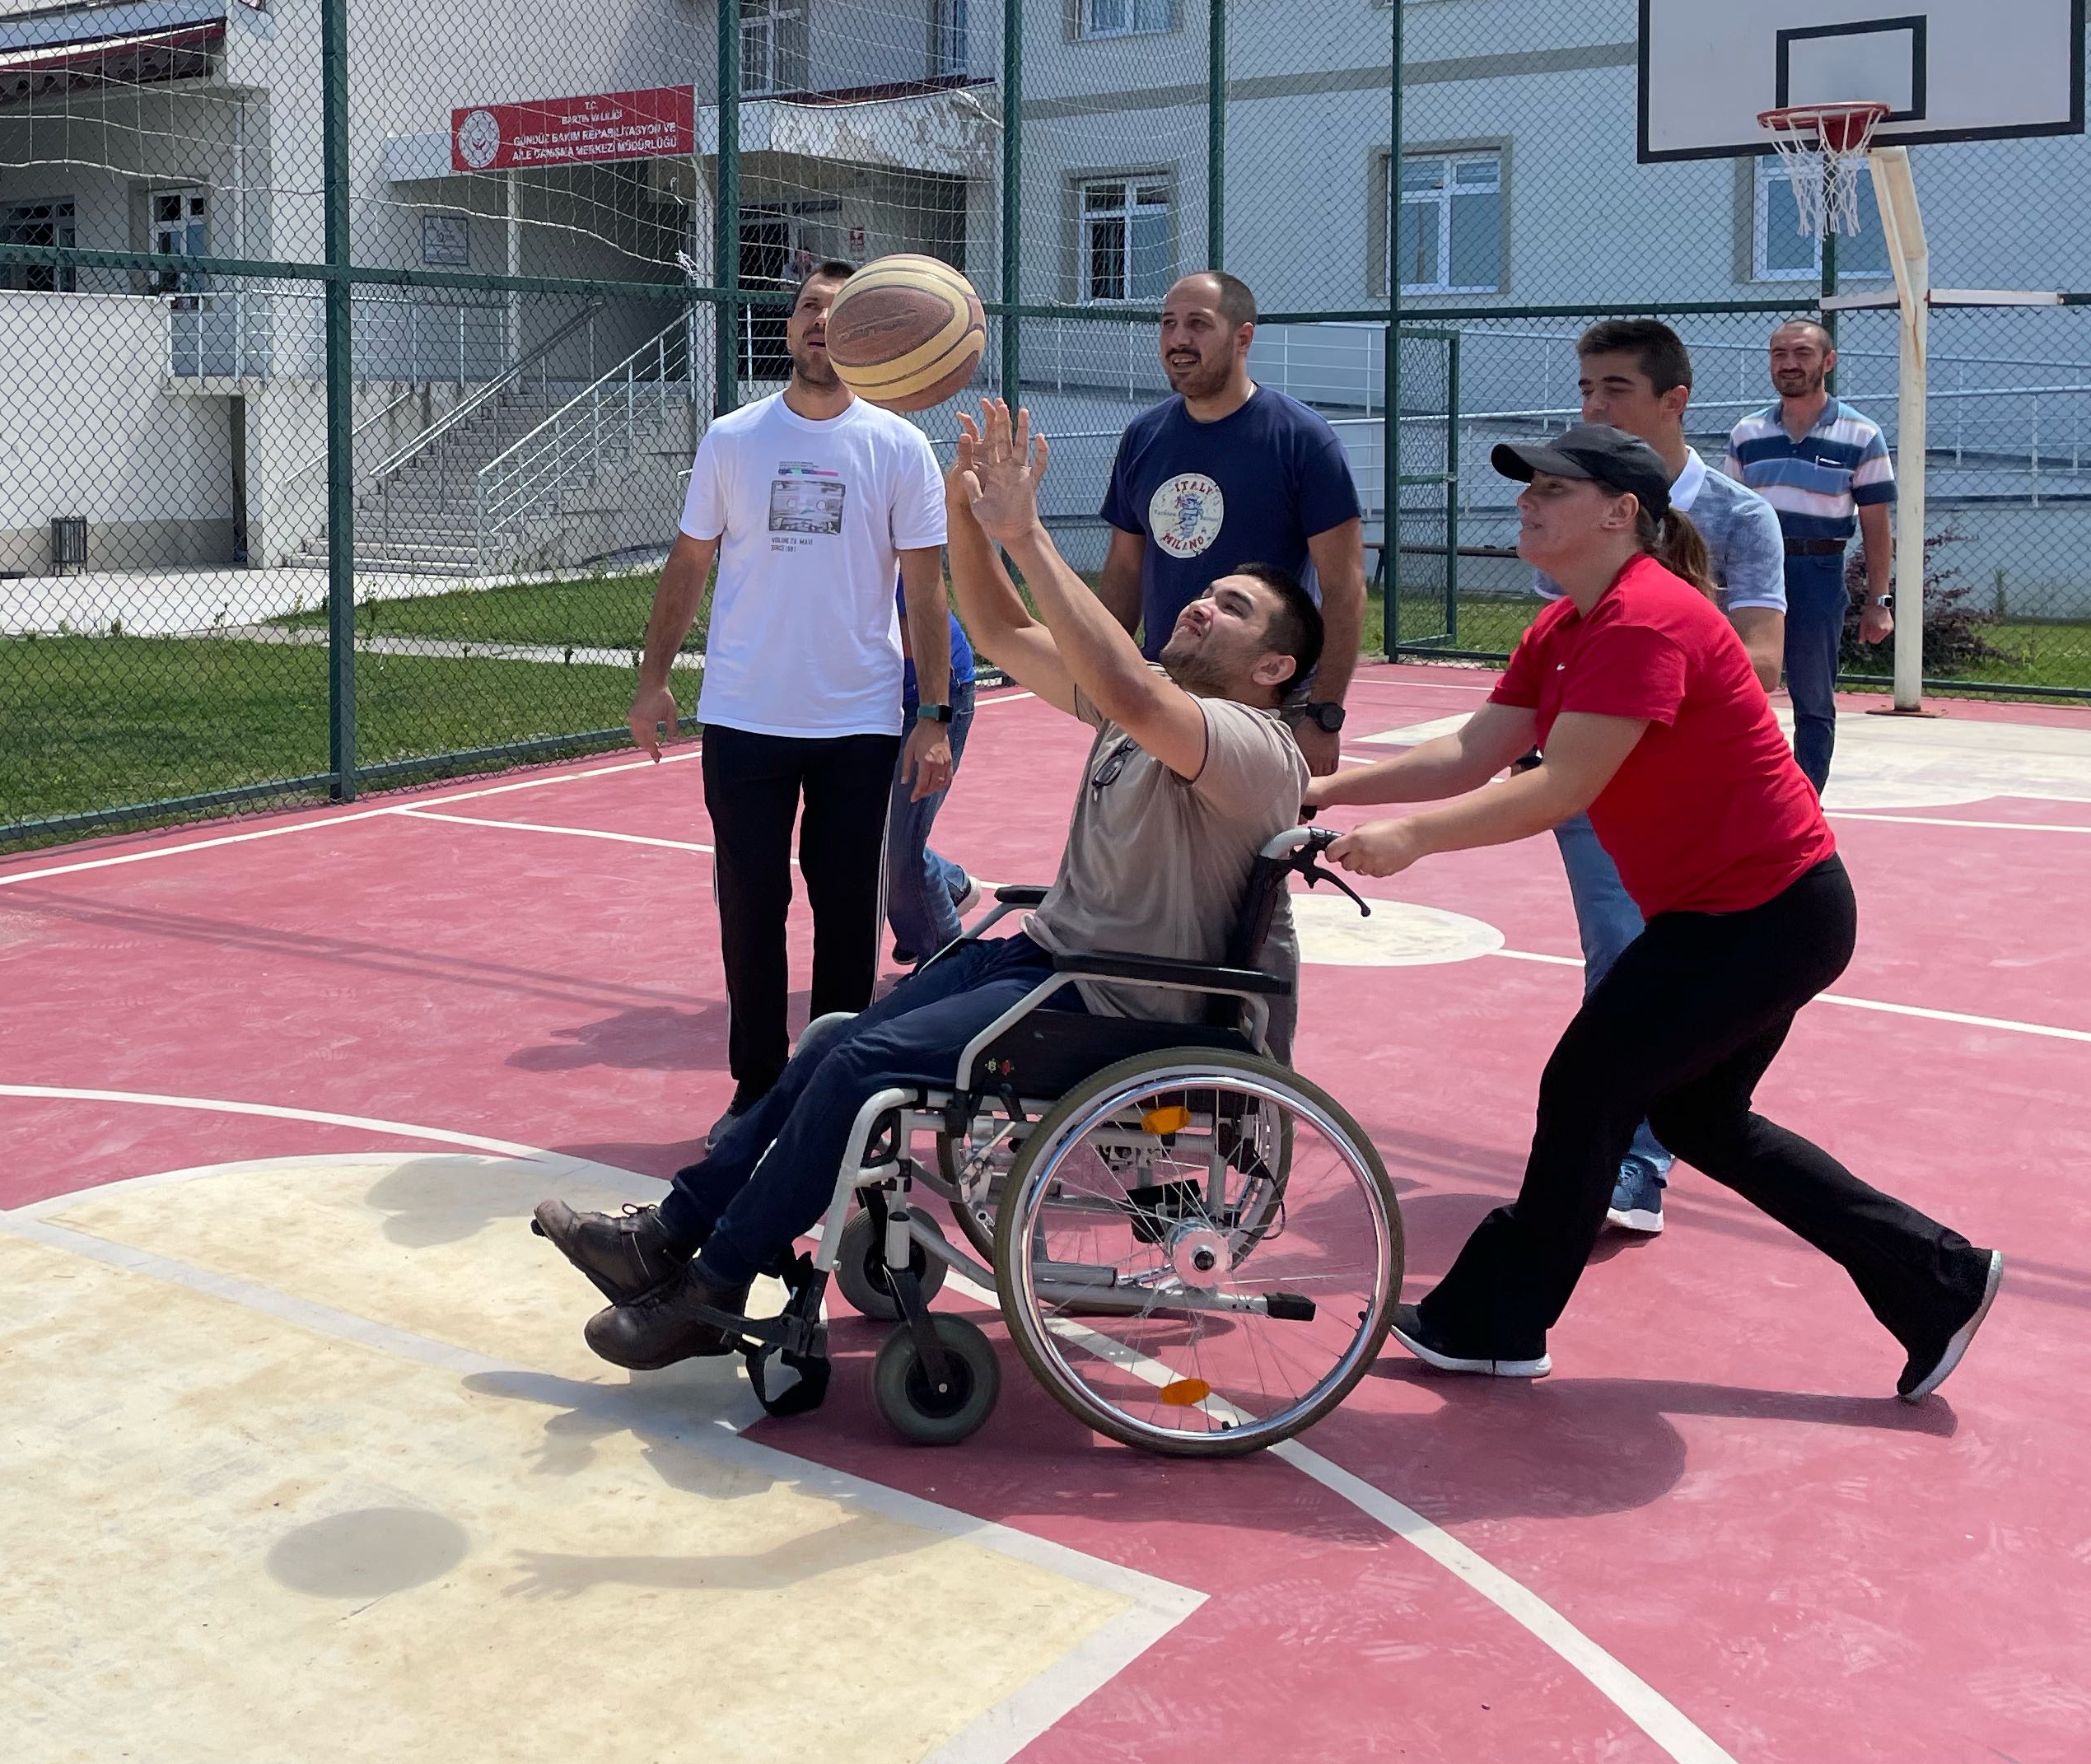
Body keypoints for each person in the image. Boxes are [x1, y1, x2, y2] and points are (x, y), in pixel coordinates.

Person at [544, 398, 1317, 1370]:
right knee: (835, 1037)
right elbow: (995, 630)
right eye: (1208, 592)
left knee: (865, 1069)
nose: (1203, 602)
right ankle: (669, 1232)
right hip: (1053, 965)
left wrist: (1026, 532)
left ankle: (715, 1285)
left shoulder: (1250, 744)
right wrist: (958, 505)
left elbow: (1128, 687)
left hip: (1113, 999)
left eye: (1235, 609)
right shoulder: (1155, 712)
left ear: (1276, 667)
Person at [1307, 422, 2000, 1401]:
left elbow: (1561, 787)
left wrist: (1414, 839)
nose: (1528, 502)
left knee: (1590, 1084)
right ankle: (1938, 1279)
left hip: (1767, 915)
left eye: (1552, 489)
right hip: (1736, 913)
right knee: (1695, 1117)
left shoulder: (1644, 619)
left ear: (1618, 513)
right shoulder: (1568, 624)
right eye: (1527, 488)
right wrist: (1322, 789)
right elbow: (1471, 751)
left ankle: (1498, 1323)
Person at [628, 264, 954, 1136]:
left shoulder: (898, 447)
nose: (824, 321)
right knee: (749, 904)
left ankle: (834, 1093)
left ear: (870, 335)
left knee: (846, 911)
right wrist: (655, 679)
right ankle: (756, 1085)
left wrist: (933, 714)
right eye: (811, 307)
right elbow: (689, 562)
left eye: (843, 311)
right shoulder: (734, 439)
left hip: (856, 718)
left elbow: (926, 590)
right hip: (744, 715)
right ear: (789, 329)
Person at [1557, 317, 1786, 1242]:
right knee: (1617, 966)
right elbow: (1565, 653)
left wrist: (1657, 659)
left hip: (1702, 799)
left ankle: (1636, 1154)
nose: (1593, 407)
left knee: (1663, 983)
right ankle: (1628, 1163)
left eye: (1613, 389)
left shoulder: (1738, 516)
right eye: (1585, 390)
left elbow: (1766, 655)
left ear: (1672, 401)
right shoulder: (1573, 503)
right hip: (1597, 787)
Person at [1098, 270, 1365, 773]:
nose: (1178, 339)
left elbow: (1345, 588)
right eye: (1168, 324)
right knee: (1147, 843)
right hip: (1163, 689)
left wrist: (1323, 714)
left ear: (1243, 337)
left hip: (1263, 699)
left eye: (1198, 324)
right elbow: (1124, 574)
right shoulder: (1143, 437)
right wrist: (1106, 680)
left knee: (1252, 852)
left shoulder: (1303, 440)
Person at [1728, 319, 1898, 791]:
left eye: (1801, 353)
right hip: (1754, 575)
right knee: (1736, 687)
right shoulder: (1747, 433)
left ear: (1828, 361)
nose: (1788, 364)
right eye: (1778, 354)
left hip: (1818, 572)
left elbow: (1877, 525)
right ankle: (1742, 790)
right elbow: (1730, 516)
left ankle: (1805, 799)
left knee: (1813, 697)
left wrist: (1879, 602)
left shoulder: (1861, 435)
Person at [883, 586, 978, 968]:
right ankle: (947, 884)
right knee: (860, 841)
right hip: (868, 701)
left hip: (927, 697)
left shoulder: (880, 531)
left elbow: (913, 633)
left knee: (896, 850)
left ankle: (945, 960)